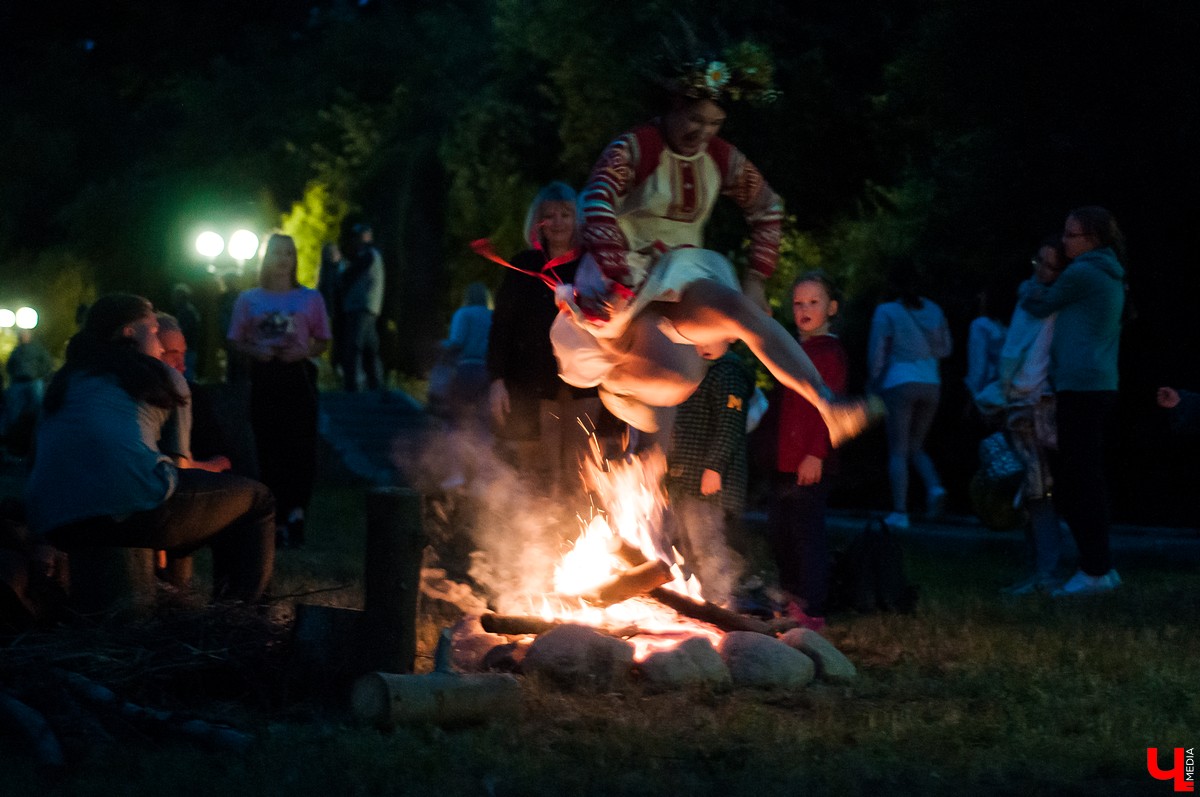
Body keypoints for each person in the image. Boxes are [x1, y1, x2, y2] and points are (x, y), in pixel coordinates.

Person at [550, 41, 875, 445]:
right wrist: (616, 277)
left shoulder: (721, 158)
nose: (701, 132)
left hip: (680, 271)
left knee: (741, 311)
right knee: (672, 377)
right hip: (622, 271)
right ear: (671, 106)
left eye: (714, 123)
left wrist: (757, 278)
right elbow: (597, 197)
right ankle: (616, 387)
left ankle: (827, 405)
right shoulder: (636, 146)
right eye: (693, 118)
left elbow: (767, 206)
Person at [25, 294, 274, 604]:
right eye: (154, 331)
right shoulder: (161, 375)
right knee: (257, 501)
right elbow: (179, 470)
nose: (158, 343)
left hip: (57, 521)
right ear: (130, 331)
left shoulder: (62, 382)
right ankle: (238, 615)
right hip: (131, 507)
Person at [1020, 206, 1126, 596]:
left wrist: (1026, 287)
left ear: (1092, 239)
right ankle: (1100, 566)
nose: (1064, 243)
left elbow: (1040, 302)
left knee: (1078, 481)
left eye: (1072, 236)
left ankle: (1093, 570)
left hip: (1080, 387)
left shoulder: (1082, 273)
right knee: (1086, 477)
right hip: (1098, 384)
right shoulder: (1109, 273)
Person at [486, 181, 602, 493]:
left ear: (577, 218)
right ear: (538, 221)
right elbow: (502, 325)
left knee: (583, 469)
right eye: (549, 215)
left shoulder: (593, 264)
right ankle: (541, 534)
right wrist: (497, 379)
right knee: (536, 471)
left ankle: (582, 533)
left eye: (565, 214)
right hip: (533, 379)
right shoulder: (524, 266)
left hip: (587, 381)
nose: (557, 222)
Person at [977, 239, 1072, 594]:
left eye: (1049, 266)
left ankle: (1046, 571)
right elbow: (1014, 351)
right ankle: (1039, 567)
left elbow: (1037, 358)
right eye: (1038, 261)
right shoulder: (1030, 297)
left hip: (1033, 403)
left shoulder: (1052, 306)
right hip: (1016, 397)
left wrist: (1015, 396)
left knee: (1038, 489)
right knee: (1030, 489)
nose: (1040, 270)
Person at [227, 233, 331, 548]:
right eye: (276, 253)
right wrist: (254, 351)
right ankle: (274, 517)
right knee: (270, 447)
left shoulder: (310, 299)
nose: (282, 260)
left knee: (299, 447)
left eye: (288, 253)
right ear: (266, 258)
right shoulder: (249, 299)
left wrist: (302, 353)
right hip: (265, 376)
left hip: (296, 376)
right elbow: (234, 338)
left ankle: (296, 513)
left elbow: (323, 340)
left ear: (294, 259)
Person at [770, 272, 848, 631]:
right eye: (799, 303)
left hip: (810, 461)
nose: (804, 309)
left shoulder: (829, 353)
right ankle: (793, 599)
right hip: (787, 460)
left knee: (806, 535)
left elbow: (829, 407)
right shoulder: (795, 351)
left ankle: (812, 607)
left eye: (813, 302)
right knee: (785, 532)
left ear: (831, 308)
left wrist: (816, 453)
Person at [665, 340, 754, 608]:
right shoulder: (700, 371)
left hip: (710, 482)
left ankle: (719, 603)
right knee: (690, 545)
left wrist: (715, 466)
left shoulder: (728, 373)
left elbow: (730, 424)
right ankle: (699, 602)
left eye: (711, 334)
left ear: (730, 335)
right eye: (699, 336)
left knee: (708, 545)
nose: (702, 343)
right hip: (687, 478)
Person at [867, 259, 952, 529]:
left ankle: (900, 512)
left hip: (899, 382)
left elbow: (877, 352)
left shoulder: (886, 311)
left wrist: (873, 380)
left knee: (898, 450)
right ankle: (935, 487)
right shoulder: (934, 310)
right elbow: (945, 349)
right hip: (931, 383)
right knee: (916, 445)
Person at [437, 282, 493, 425]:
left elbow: (457, 342)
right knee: (483, 418)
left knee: (456, 415)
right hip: (488, 371)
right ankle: (482, 446)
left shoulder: (463, 314)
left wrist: (440, 346)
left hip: (465, 370)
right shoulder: (492, 315)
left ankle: (454, 445)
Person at [339, 223, 385, 392]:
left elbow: (349, 275)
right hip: (369, 307)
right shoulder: (372, 255)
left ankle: (352, 386)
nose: (355, 241)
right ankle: (375, 385)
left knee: (353, 346)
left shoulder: (368, 255)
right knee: (370, 349)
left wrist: (341, 269)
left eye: (358, 237)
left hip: (361, 306)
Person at [2, 328, 54, 455]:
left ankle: (36, 436)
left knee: (38, 408)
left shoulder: (38, 349)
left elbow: (47, 363)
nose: (22, 337)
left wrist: (40, 375)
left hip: (33, 381)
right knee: (13, 410)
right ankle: (11, 438)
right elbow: (10, 365)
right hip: (19, 382)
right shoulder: (17, 350)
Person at [316, 242, 346, 379]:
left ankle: (336, 368)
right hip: (330, 310)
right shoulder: (327, 271)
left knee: (339, 340)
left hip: (340, 311)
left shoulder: (341, 269)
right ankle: (330, 369)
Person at [170, 283, 202, 380]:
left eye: (176, 296)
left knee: (186, 378)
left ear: (181, 296)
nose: (173, 299)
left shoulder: (187, 312)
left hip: (187, 350)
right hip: (189, 348)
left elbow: (183, 331)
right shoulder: (188, 311)